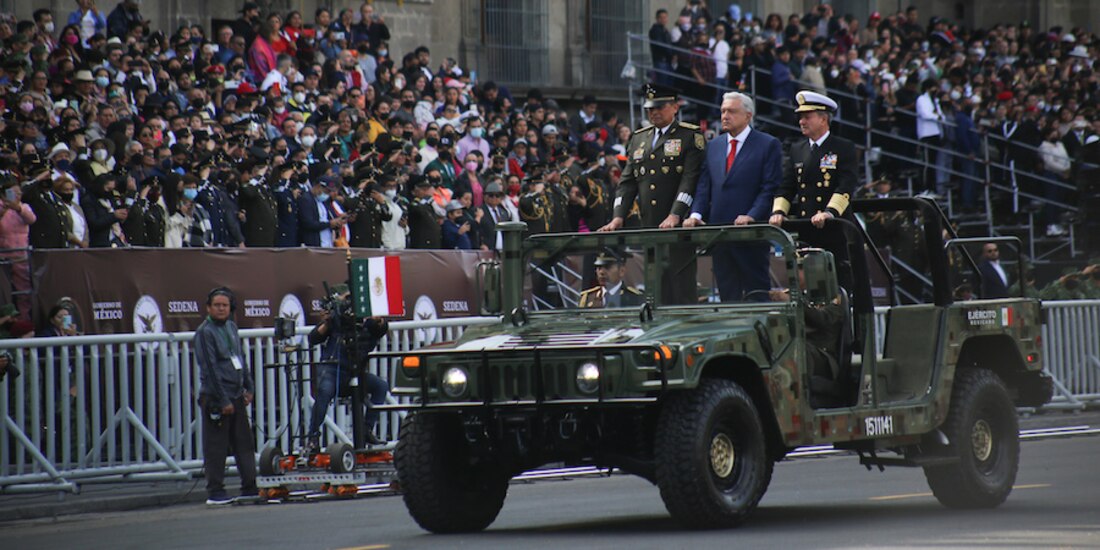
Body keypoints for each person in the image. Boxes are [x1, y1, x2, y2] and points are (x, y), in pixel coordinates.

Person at [600, 83, 704, 305]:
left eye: (660, 107)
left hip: (677, 230)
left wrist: (676, 214)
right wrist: (618, 216)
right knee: (655, 291)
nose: (654, 112)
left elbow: (689, 180)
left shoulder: (689, 136)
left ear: (675, 107)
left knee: (681, 290)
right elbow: (627, 182)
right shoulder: (639, 138)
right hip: (650, 227)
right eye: (650, 109)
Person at [684, 92, 781, 301]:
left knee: (756, 295)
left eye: (731, 111)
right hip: (720, 235)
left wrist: (751, 215)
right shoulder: (714, 146)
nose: (725, 116)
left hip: (750, 236)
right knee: (728, 296)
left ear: (748, 115)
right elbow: (704, 186)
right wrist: (696, 214)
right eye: (723, 111)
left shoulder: (767, 144)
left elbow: (769, 188)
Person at [769, 91, 859, 291]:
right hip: (806, 228)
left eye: (807, 116)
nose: (802, 121)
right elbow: (787, 186)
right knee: (808, 286)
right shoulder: (797, 149)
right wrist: (778, 212)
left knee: (838, 285)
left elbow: (847, 184)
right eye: (800, 117)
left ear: (823, 119)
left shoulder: (843, 147)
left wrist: (830, 212)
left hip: (834, 228)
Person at [306, 285, 389, 450]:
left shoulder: (371, 324)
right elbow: (313, 338)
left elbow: (381, 328)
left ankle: (367, 430)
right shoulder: (338, 319)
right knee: (324, 392)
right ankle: (312, 437)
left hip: (356, 373)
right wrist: (328, 321)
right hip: (332, 369)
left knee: (381, 385)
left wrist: (377, 319)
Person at [194, 287, 257, 505]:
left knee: (245, 444)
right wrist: (223, 400)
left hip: (237, 393)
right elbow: (210, 368)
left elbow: (241, 358)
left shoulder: (231, 326)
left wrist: (249, 388)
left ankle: (250, 487)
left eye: (225, 305)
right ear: (208, 308)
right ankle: (216, 492)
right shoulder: (204, 332)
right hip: (216, 397)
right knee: (216, 447)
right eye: (217, 305)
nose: (221, 309)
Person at [578, 252, 645, 308]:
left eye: (607, 267)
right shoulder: (588, 297)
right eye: (599, 267)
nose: (601, 272)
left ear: (622, 271)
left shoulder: (635, 298)